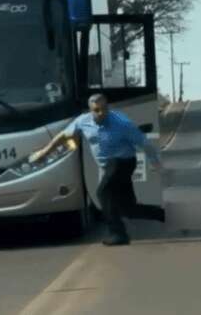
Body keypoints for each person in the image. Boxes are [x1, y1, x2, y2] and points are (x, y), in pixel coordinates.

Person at [30, 93, 165, 246]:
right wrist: (44, 152)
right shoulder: (82, 121)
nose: (101, 113)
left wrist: (155, 163)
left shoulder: (122, 122)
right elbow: (63, 136)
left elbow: (144, 143)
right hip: (108, 166)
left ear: (108, 107)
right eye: (97, 110)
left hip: (124, 162)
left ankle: (118, 234)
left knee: (103, 192)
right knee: (128, 209)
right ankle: (161, 214)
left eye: (104, 109)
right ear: (90, 110)